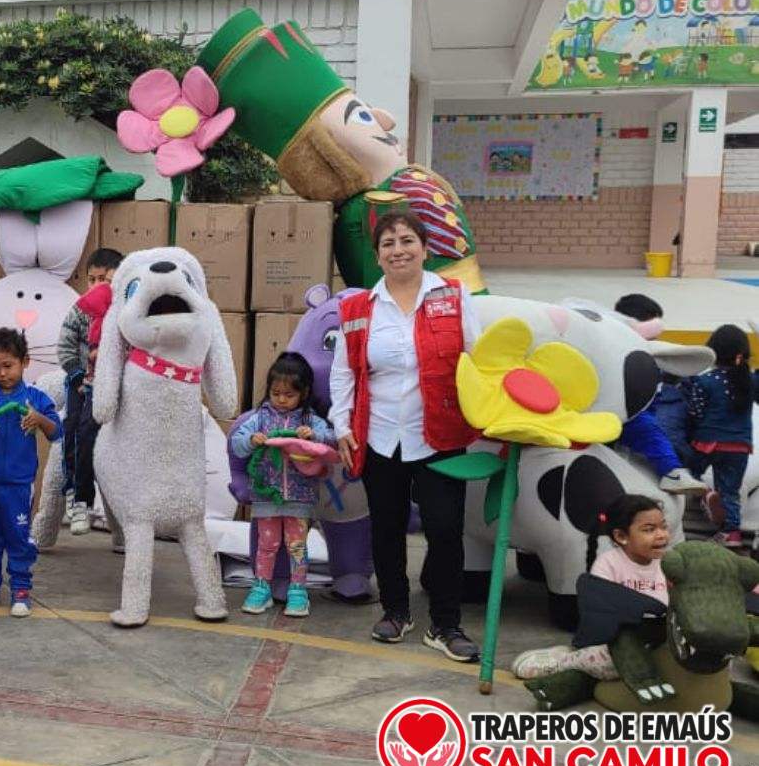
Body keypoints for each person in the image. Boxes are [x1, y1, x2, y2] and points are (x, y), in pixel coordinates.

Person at [329, 212, 482, 662]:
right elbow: (344, 374)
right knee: (387, 528)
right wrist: (342, 427)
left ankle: (445, 623)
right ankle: (396, 611)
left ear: (425, 248)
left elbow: (477, 356)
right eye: (389, 243)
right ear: (377, 256)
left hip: (439, 434)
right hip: (378, 436)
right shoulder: (357, 309)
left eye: (407, 240)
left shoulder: (453, 297)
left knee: (445, 529)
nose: (399, 249)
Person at [512, 495, 668, 681]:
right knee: (609, 661)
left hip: (658, 640)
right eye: (649, 530)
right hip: (616, 642)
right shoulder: (608, 564)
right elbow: (599, 613)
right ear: (621, 536)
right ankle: (565, 662)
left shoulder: (670, 564)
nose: (661, 535)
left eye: (663, 527)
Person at [229, 352, 335, 618]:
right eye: (276, 393)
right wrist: (252, 440)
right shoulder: (260, 418)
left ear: (304, 392)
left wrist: (314, 435)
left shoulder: (309, 420)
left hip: (299, 497)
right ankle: (261, 587)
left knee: (297, 545)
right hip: (267, 496)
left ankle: (298, 591)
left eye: (288, 395)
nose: (281, 399)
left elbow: (331, 440)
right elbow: (236, 444)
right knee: (267, 545)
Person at [0, 328, 62, 617]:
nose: (2, 374)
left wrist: (39, 419)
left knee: (18, 537)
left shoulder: (35, 397)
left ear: (25, 362)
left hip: (19, 484)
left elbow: (57, 430)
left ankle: (21, 589)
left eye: (8, 366)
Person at [604, 295, 707, 496]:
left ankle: (672, 471)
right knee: (649, 431)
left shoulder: (652, 357)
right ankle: (671, 472)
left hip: (642, 412)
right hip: (622, 412)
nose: (655, 342)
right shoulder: (614, 349)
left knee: (653, 433)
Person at [55, 249, 122, 536]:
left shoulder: (124, 313)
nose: (97, 286)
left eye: (105, 279)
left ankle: (115, 520)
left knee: (92, 431)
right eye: (92, 279)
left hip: (110, 385)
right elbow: (65, 346)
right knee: (73, 428)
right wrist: (78, 375)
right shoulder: (81, 309)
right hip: (81, 380)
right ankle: (77, 496)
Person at [683, 324, 756, 548]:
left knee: (688, 477)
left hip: (707, 443)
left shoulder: (704, 381)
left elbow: (695, 412)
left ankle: (705, 496)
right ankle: (731, 534)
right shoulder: (751, 382)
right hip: (740, 447)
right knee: (731, 491)